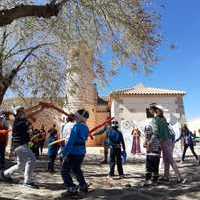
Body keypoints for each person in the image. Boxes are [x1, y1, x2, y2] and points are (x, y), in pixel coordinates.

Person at [0, 107, 38, 189]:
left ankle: (5, 174)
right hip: (19, 145)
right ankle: (27, 181)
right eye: (22, 111)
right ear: (18, 113)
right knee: (32, 159)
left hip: (20, 145)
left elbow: (32, 119)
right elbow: (30, 115)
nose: (23, 113)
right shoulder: (18, 121)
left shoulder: (22, 121)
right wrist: (41, 108)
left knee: (20, 165)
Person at [149, 103, 182, 183]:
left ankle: (179, 177)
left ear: (154, 110)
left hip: (164, 141)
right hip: (170, 141)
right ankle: (166, 177)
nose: (149, 110)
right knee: (166, 159)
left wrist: (150, 142)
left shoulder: (155, 120)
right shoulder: (163, 119)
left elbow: (156, 132)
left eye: (150, 109)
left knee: (170, 159)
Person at [61, 109, 90, 194]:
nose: (75, 118)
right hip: (81, 152)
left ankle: (71, 187)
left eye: (76, 116)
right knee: (76, 169)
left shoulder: (76, 127)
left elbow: (71, 141)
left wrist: (64, 152)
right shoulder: (85, 127)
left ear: (80, 117)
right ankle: (83, 185)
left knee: (64, 170)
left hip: (73, 152)